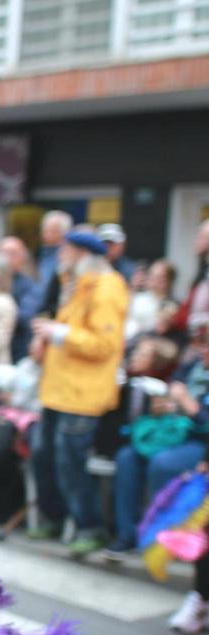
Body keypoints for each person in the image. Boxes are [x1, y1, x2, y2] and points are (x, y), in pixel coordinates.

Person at [29, 230, 129, 557]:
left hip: (82, 394)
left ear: (83, 254)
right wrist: (48, 339)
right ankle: (54, 518)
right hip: (58, 389)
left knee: (69, 461)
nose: (60, 256)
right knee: (44, 456)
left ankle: (90, 526)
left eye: (67, 250)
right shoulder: (77, 285)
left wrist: (60, 333)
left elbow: (105, 343)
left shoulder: (107, 287)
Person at [109, 343, 209, 557]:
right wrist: (161, 408)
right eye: (204, 344)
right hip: (169, 434)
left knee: (163, 463)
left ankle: (158, 537)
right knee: (127, 457)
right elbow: (166, 394)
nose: (203, 350)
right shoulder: (191, 367)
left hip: (200, 443)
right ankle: (127, 534)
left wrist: (190, 406)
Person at [0, 235, 40, 362]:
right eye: (3, 253)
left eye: (12, 254)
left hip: (15, 351)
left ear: (22, 258)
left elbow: (24, 317)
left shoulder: (29, 287)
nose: (6, 258)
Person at [125, 259, 178, 341]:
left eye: (158, 276)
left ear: (168, 282)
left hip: (140, 343)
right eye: (151, 274)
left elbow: (160, 329)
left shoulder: (169, 305)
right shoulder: (139, 296)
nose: (152, 279)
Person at [36, 210, 72, 318]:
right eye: (45, 229)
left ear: (64, 232)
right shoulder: (39, 253)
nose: (47, 233)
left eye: (53, 230)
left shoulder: (68, 256)